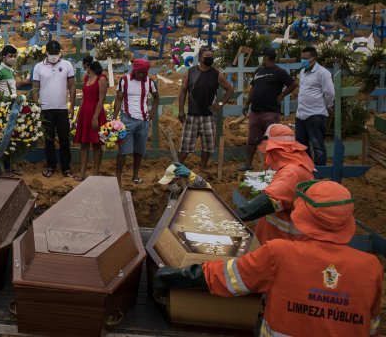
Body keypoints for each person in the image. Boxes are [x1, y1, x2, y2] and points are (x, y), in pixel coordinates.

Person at [155, 180, 382, 337]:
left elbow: (227, 277)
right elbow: (371, 327)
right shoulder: (371, 267)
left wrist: (180, 275)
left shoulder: (280, 254)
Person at [237, 123, 315, 243]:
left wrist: (235, 216)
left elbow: (270, 200)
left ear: (274, 149)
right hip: (284, 241)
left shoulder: (291, 172)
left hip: (283, 244)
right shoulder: (298, 166)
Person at [177, 46, 233, 174]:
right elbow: (183, 91)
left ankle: (202, 168)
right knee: (185, 145)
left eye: (212, 56)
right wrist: (181, 110)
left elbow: (230, 90)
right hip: (192, 115)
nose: (210, 58)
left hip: (208, 115)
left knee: (208, 145)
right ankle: (177, 169)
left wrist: (219, 103)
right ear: (201, 58)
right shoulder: (190, 72)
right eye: (207, 56)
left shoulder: (217, 74)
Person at [240, 47, 297, 170]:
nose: (260, 59)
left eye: (261, 56)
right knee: (252, 139)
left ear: (266, 57)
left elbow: (293, 84)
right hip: (255, 112)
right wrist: (246, 104)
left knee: (271, 140)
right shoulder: (258, 72)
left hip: (271, 112)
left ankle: (272, 166)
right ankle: (248, 163)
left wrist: (282, 95)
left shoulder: (279, 71)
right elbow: (253, 89)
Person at [32, 40, 76, 178]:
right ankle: (51, 166)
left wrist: (72, 106)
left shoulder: (67, 65)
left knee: (64, 139)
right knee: (49, 139)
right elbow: (35, 88)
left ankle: (66, 168)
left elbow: (72, 86)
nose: (54, 55)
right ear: (46, 53)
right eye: (51, 53)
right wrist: (35, 106)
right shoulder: (39, 67)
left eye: (56, 53)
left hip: (62, 108)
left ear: (60, 53)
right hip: (45, 109)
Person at [115, 58, 160, 185]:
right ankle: (118, 177)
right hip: (127, 120)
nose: (141, 75)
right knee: (123, 150)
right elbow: (118, 99)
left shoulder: (149, 82)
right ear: (134, 70)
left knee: (139, 150)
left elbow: (157, 98)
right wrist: (114, 118)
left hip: (143, 121)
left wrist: (152, 112)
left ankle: (135, 175)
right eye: (139, 72)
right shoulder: (124, 80)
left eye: (143, 73)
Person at [0, 44, 30, 175]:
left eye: (15, 56)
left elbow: (12, 86)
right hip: (2, 108)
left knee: (10, 136)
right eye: (10, 56)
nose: (13, 58)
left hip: (12, 106)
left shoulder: (10, 70)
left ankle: (8, 167)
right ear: (3, 57)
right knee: (1, 137)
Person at [296, 45, 335, 166]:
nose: (302, 60)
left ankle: (319, 171)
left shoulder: (323, 73)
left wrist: (329, 106)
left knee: (317, 145)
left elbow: (329, 92)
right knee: (301, 145)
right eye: (301, 57)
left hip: (315, 114)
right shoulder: (303, 72)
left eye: (305, 58)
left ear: (313, 59)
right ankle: (307, 168)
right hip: (301, 114)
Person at [73, 60, 108, 181]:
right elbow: (83, 98)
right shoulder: (86, 78)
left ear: (89, 66)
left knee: (97, 144)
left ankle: (96, 173)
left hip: (96, 113)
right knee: (84, 144)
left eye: (84, 66)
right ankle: (82, 173)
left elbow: (101, 99)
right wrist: (79, 113)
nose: (84, 68)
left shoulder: (101, 79)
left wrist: (95, 117)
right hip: (85, 114)